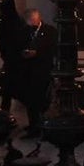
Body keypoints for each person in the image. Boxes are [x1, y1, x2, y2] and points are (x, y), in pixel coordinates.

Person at [17, 7, 55, 137]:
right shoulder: (24, 31)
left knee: (42, 101)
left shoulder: (50, 31)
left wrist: (37, 53)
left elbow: (52, 50)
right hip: (28, 72)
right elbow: (18, 46)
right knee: (30, 101)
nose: (31, 24)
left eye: (32, 21)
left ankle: (43, 126)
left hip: (43, 71)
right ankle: (33, 125)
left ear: (38, 19)